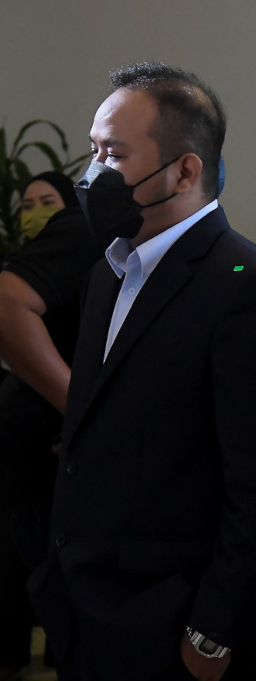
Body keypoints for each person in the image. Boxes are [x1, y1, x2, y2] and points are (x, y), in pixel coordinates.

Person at [27, 62, 256, 681]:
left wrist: (211, 636)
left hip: (175, 626)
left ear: (186, 170)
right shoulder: (110, 269)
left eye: (114, 154)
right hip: (90, 612)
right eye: (93, 151)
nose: (93, 175)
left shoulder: (255, 290)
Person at [0, 171, 105, 681]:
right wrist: (84, 410)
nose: (35, 212)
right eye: (28, 204)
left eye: (47, 201)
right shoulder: (84, 231)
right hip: (41, 465)